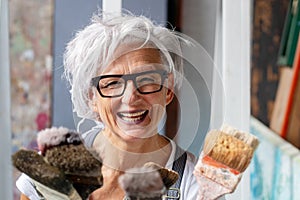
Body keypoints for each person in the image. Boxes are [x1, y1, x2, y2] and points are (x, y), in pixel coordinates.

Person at [16, 11, 199, 200]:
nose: (130, 98)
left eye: (146, 79)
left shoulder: (194, 184)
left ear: (167, 89)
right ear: (91, 98)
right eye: (112, 83)